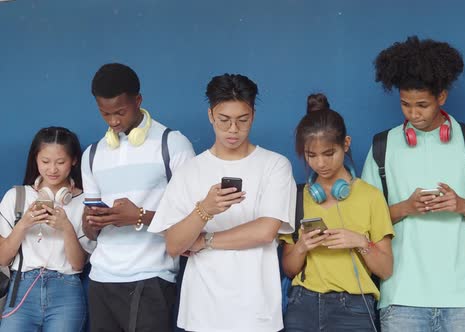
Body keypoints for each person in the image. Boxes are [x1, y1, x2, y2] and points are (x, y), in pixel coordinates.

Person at [361, 36, 465, 331]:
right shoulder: (383, 147)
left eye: (422, 105)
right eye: (405, 105)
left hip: (464, 296)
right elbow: (364, 224)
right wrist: (405, 208)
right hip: (400, 295)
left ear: (442, 97)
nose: (413, 114)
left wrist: (462, 206)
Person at [148, 73, 296, 332]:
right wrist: (204, 210)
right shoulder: (189, 171)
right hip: (202, 311)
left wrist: (205, 240)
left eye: (243, 120)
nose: (233, 130)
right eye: (224, 120)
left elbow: (265, 231)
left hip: (256, 311)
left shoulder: (275, 165)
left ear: (253, 115)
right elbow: (173, 245)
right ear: (210, 115)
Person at [81, 63, 195, 332]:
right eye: (104, 113)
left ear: (138, 100)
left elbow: (192, 222)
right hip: (101, 279)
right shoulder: (93, 154)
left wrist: (139, 217)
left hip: (151, 279)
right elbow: (89, 233)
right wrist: (92, 223)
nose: (113, 121)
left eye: (120, 112)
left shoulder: (173, 144)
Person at [280, 93, 394, 331]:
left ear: (346, 144)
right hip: (302, 305)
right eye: (311, 156)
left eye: (329, 153)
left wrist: (360, 242)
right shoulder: (297, 196)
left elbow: (385, 269)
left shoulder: (371, 196)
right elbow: (290, 269)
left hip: (353, 309)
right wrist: (302, 246)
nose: (320, 163)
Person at [0, 127, 92, 331]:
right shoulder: (16, 197)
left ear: (74, 161)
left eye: (60, 162)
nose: (52, 169)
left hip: (66, 291)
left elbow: (78, 265)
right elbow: (3, 259)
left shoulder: (85, 202)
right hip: (21, 288)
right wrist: (24, 224)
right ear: (35, 159)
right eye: (45, 161)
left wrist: (66, 227)